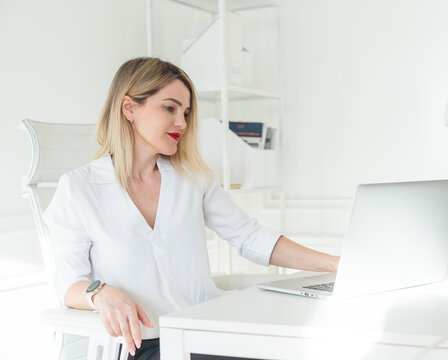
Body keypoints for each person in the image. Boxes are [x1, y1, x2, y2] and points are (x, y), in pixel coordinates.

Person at [42, 57, 340, 360]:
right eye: (170, 108)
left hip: (206, 332)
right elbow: (68, 284)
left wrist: (334, 264)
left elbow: (249, 237)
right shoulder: (79, 188)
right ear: (129, 108)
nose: (182, 123)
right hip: (141, 347)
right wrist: (100, 292)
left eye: (186, 112)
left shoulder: (193, 179)